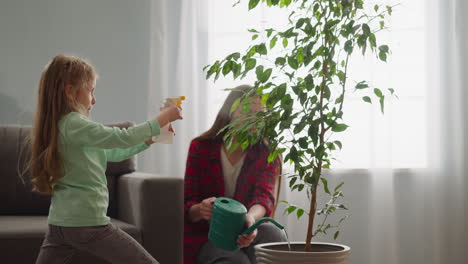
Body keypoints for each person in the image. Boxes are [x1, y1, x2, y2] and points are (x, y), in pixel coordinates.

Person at [30, 54, 182, 264]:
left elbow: (113, 153)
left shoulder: (62, 127)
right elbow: (122, 137)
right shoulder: (75, 123)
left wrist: (147, 141)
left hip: (60, 225)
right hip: (88, 223)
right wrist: (161, 119)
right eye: (91, 91)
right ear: (70, 91)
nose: (94, 99)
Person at [183, 85, 286, 264]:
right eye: (247, 111)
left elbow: (264, 198)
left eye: (260, 114)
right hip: (210, 236)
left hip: (248, 229)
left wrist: (250, 220)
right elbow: (187, 206)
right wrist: (202, 209)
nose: (254, 119)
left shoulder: (267, 153)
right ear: (230, 111)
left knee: (273, 234)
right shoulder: (201, 148)